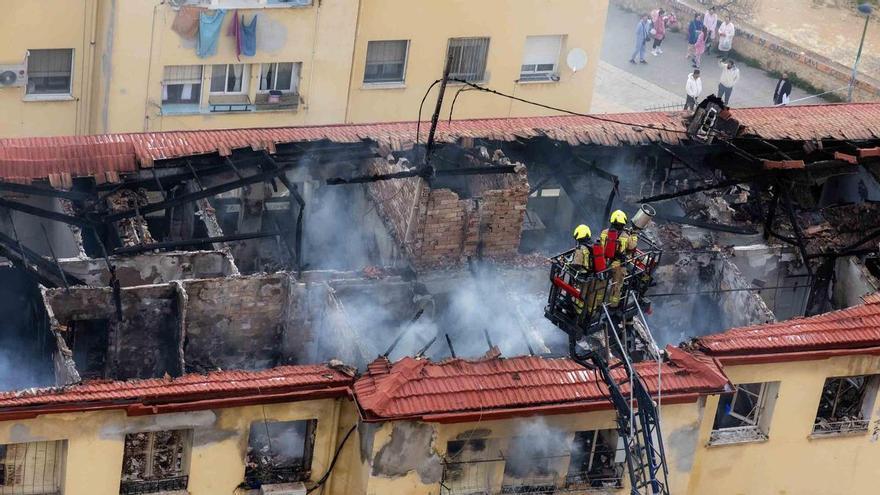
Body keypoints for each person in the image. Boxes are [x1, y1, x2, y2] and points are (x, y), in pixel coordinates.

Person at [600, 210, 630, 307]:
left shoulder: (604, 232)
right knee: (617, 285)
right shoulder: (625, 236)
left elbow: (601, 246)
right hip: (618, 265)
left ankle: (598, 304)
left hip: (605, 263)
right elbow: (631, 247)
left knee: (601, 284)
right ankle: (613, 305)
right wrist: (634, 236)